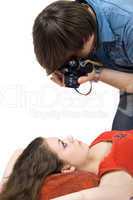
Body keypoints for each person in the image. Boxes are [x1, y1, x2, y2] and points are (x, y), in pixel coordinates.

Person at [32, 0, 133, 131]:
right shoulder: (72, 21)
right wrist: (58, 69)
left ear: (86, 39)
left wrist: (97, 73)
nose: (75, 62)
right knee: (117, 141)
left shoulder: (128, 26)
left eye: (75, 58)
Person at [1, 130, 133, 200]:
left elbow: (18, 152)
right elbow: (119, 194)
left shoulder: (97, 141)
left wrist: (6, 183)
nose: (70, 138)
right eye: (63, 144)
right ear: (67, 169)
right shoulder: (114, 170)